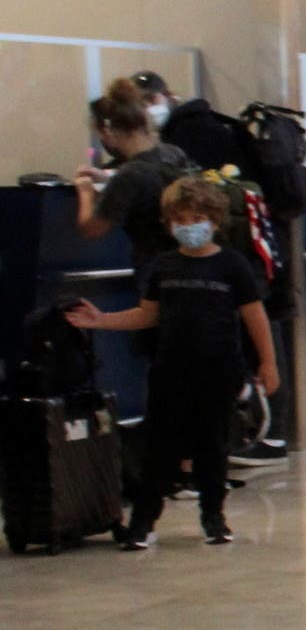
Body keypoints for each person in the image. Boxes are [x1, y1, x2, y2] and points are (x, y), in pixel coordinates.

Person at [67, 173, 280, 550]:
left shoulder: (231, 265)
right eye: (179, 221)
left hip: (218, 372)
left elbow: (255, 316)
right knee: (159, 448)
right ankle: (143, 522)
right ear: (168, 225)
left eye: (196, 219)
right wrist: (102, 320)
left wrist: (268, 363)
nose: (188, 227)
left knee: (211, 448)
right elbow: (147, 315)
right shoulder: (164, 266)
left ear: (214, 220)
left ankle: (213, 516)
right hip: (170, 372)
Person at [77, 81, 195, 268]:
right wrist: (108, 178)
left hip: (155, 271)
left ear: (107, 131)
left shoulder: (129, 175)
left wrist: (85, 192)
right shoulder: (174, 153)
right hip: (190, 263)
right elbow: (153, 181)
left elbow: (92, 229)